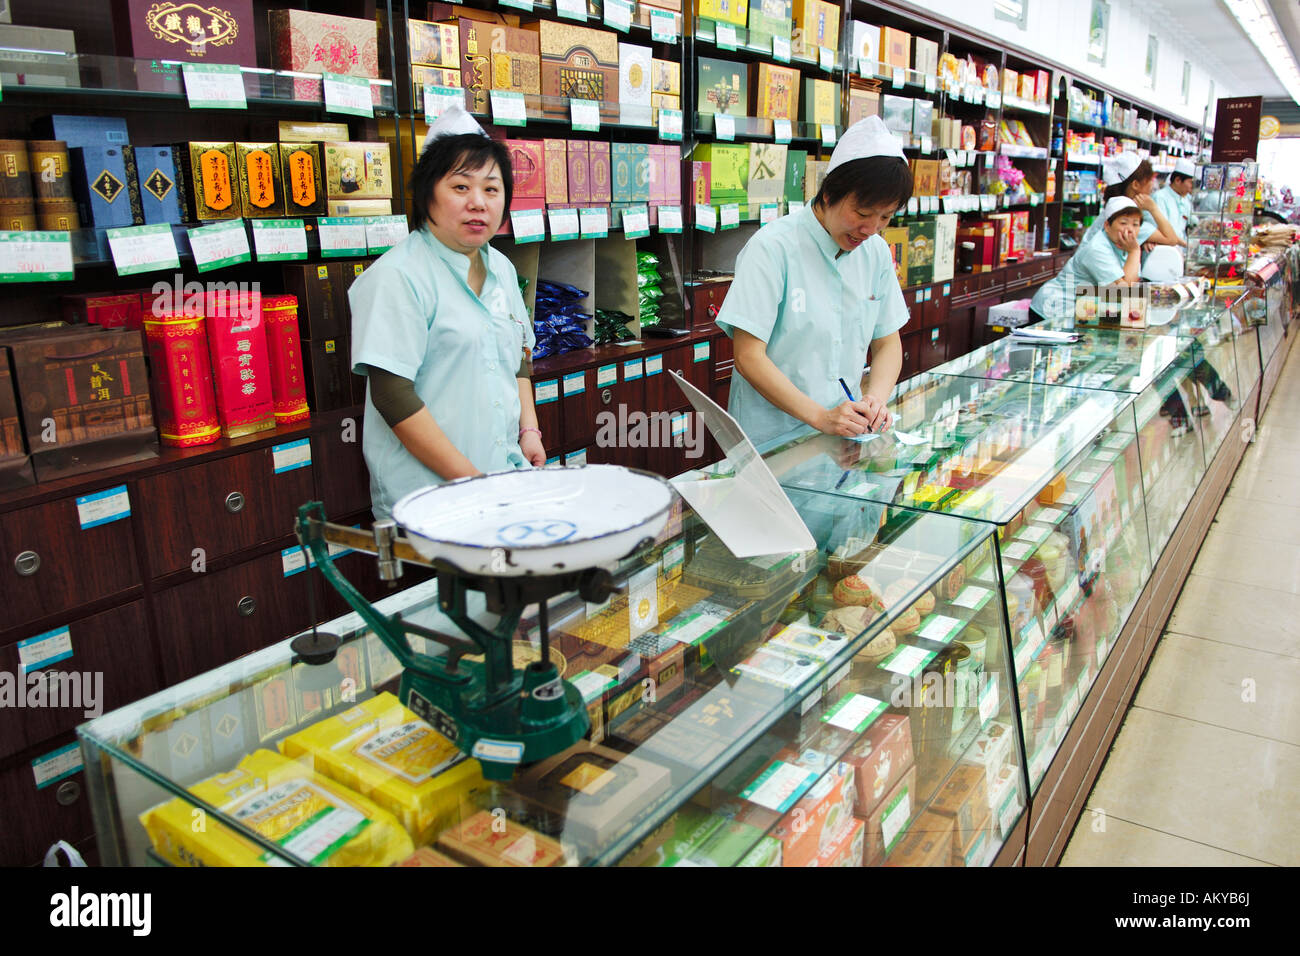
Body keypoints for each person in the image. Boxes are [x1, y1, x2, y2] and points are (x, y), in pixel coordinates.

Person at [349, 106, 544, 519]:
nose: (478, 203)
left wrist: (529, 430)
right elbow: (392, 395)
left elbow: (519, 360)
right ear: (427, 194)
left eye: (491, 190)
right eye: (460, 187)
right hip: (430, 500)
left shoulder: (503, 269)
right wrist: (472, 482)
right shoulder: (397, 277)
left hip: (499, 481)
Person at [714, 115, 913, 449]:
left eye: (885, 217)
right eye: (863, 213)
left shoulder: (876, 253)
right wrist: (821, 417)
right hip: (771, 440)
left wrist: (875, 399)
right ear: (831, 191)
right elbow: (748, 356)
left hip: (841, 439)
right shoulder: (773, 248)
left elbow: (887, 343)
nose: (871, 229)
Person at [1029, 196, 1145, 325]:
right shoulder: (1097, 249)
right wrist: (1135, 252)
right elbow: (1122, 292)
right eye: (1123, 223)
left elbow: (1132, 285)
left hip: (1083, 310)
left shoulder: (1127, 246)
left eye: (1135, 224)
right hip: (1051, 310)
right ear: (1107, 225)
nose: (1129, 230)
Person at [1151, 158, 1196, 243]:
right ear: (1178, 180)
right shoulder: (1160, 197)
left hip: (1180, 249)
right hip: (1164, 249)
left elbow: (1192, 224)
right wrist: (1185, 245)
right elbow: (1161, 230)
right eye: (1190, 182)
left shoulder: (1186, 200)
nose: (1192, 187)